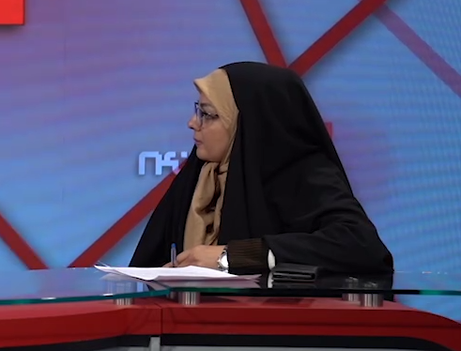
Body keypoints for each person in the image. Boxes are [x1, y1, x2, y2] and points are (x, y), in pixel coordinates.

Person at [130, 61, 393, 275]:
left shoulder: (301, 173)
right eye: (198, 111)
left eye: (208, 114)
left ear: (247, 122)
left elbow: (361, 246)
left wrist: (232, 257)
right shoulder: (198, 175)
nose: (192, 123)